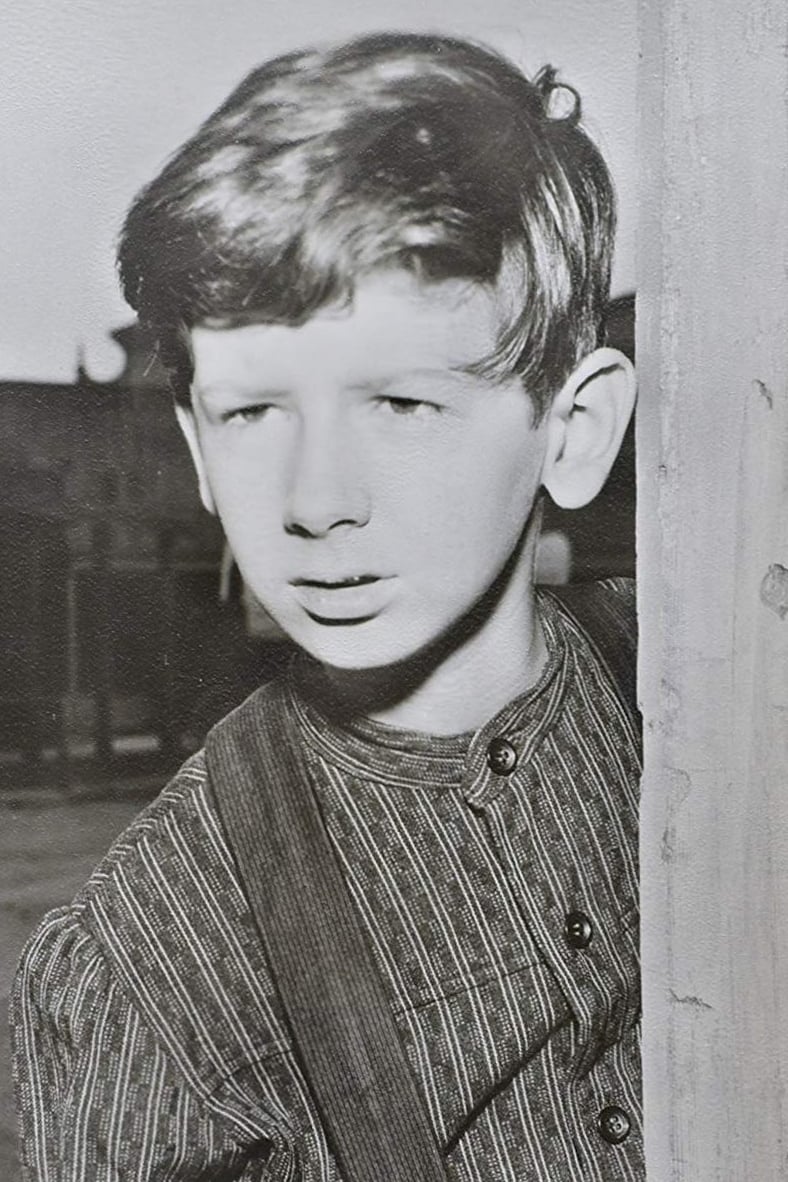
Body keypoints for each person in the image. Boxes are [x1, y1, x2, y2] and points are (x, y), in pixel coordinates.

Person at [11, 31, 641, 1181]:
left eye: (399, 403)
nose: (314, 502)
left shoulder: (709, 690)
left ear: (574, 428)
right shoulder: (151, 966)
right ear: (198, 448)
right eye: (253, 413)